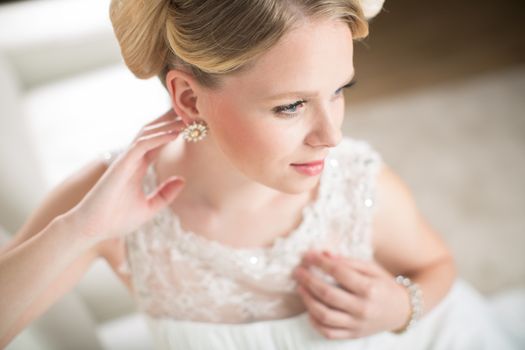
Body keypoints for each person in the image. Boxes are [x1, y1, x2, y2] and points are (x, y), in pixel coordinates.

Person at [0, 0, 516, 349]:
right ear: (187, 98)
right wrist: (83, 230)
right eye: (291, 106)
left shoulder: (356, 181)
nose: (330, 134)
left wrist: (402, 305)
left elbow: (438, 264)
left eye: (340, 91)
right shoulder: (107, 197)